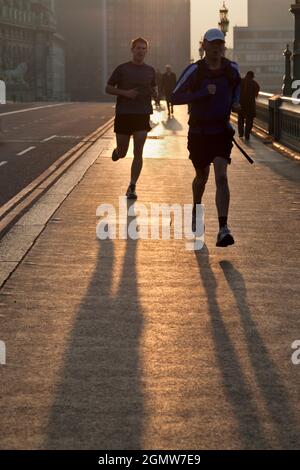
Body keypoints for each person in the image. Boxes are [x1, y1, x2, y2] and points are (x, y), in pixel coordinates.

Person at [172, 28, 241, 247]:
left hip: (221, 131)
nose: (216, 48)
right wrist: (201, 94)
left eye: (220, 44)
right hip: (199, 133)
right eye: (212, 44)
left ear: (223, 46)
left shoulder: (232, 69)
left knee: (221, 177)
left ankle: (223, 228)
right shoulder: (195, 70)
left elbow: (237, 86)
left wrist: (236, 102)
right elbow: (174, 97)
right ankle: (196, 207)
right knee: (201, 177)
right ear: (204, 46)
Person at [106, 37, 156, 200]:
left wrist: (155, 94)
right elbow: (108, 88)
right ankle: (117, 152)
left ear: (146, 51)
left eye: (143, 48)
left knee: (138, 152)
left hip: (142, 114)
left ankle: (132, 186)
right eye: (138, 48)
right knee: (123, 152)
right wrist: (125, 93)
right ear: (132, 50)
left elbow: (154, 88)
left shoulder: (150, 70)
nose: (141, 51)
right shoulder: (122, 69)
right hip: (124, 114)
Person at [238, 71, 260, 140]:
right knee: (249, 120)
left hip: (241, 104)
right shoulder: (255, 84)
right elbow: (256, 95)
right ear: (252, 76)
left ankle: (241, 133)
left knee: (240, 119)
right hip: (250, 105)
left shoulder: (240, 82)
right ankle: (247, 133)